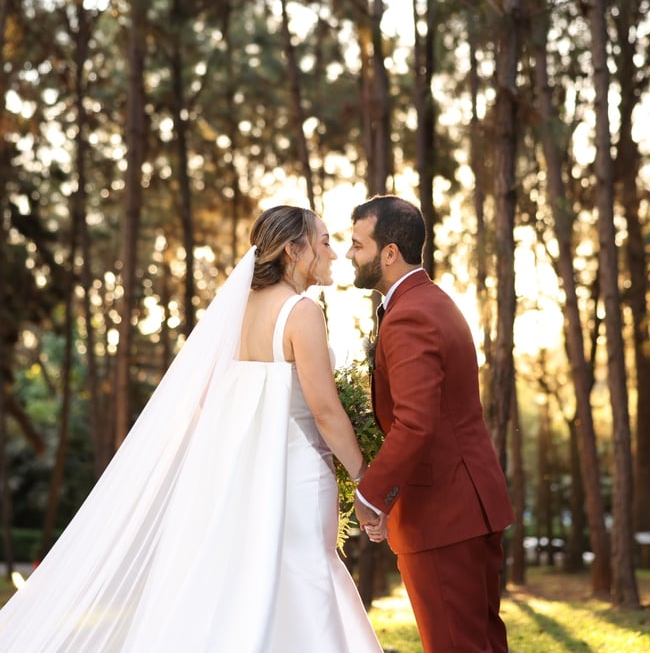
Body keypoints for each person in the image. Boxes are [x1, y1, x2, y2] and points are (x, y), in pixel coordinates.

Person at [0, 205, 383, 653]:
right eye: (323, 241)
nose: (333, 253)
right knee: (303, 576)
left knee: (247, 583)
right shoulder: (301, 312)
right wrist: (364, 479)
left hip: (238, 475)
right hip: (295, 473)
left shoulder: (236, 311)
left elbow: (208, 400)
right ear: (293, 251)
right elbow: (326, 412)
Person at [347, 194, 514, 653]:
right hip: (470, 505)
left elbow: (415, 422)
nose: (349, 254)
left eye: (358, 245)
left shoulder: (409, 317)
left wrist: (371, 495)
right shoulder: (434, 301)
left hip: (442, 516)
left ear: (389, 253)